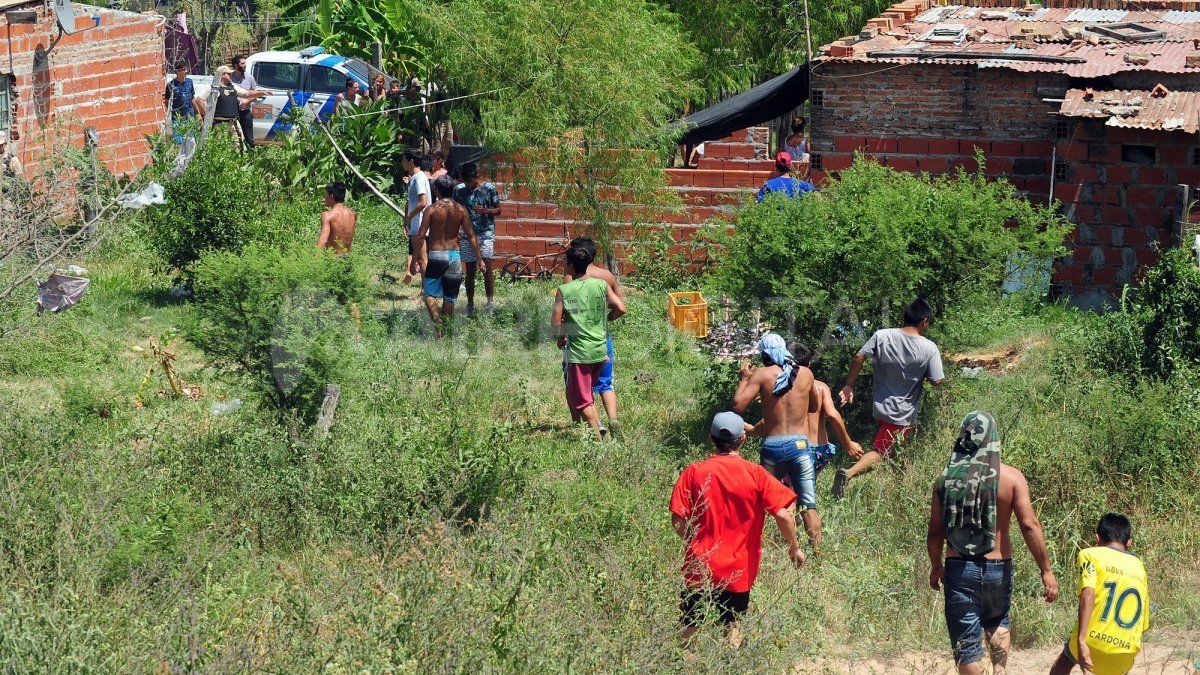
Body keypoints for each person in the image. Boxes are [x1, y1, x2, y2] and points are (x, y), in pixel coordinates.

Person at [927, 411, 1059, 675]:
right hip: (999, 568)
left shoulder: (945, 479)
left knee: (966, 644)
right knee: (998, 621)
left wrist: (936, 565)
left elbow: (935, 530)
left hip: (959, 569)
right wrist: (1046, 570)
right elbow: (1030, 525)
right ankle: (999, 671)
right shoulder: (1011, 477)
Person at [670, 411, 805, 649]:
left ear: (711, 439)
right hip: (738, 570)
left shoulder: (694, 472)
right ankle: (729, 662)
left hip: (700, 564)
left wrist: (693, 542)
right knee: (732, 625)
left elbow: (677, 520)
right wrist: (794, 548)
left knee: (691, 625)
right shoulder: (756, 474)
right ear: (742, 439)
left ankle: (683, 663)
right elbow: (783, 514)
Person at [833, 298, 945, 498]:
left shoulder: (882, 335)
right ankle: (848, 474)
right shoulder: (929, 348)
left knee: (897, 448)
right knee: (881, 451)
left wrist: (849, 385)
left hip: (880, 407)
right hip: (902, 413)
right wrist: (923, 375)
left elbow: (859, 357)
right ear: (924, 321)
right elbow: (937, 380)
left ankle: (899, 485)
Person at [732, 334, 822, 549]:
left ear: (764, 355)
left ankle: (760, 549)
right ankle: (818, 556)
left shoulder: (762, 375)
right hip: (800, 447)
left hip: (772, 447)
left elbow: (737, 406)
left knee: (763, 502)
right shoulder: (806, 374)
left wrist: (744, 379)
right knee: (808, 506)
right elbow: (813, 407)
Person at [1050, 513, 1151, 675]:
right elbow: (1144, 622)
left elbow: (1088, 592)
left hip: (1090, 642)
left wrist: (1082, 640)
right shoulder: (1140, 567)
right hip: (1126, 652)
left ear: (1097, 538)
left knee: (1061, 666)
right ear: (1129, 543)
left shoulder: (1089, 555)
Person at [552, 243, 626, 439]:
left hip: (580, 353)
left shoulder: (565, 289)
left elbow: (556, 324)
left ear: (571, 265)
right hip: (601, 350)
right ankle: (611, 420)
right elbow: (621, 307)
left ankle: (597, 438)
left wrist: (561, 339)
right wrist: (605, 319)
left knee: (582, 398)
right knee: (604, 385)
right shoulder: (602, 283)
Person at [415, 176, 480, 334]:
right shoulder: (460, 209)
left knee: (429, 293)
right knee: (450, 296)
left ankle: (437, 320)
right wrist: (479, 258)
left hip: (437, 255)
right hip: (454, 256)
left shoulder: (431, 209)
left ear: (437, 190)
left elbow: (421, 235)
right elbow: (471, 235)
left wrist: (415, 257)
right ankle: (444, 332)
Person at [792, 343, 862, 475]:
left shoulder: (784, 387)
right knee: (807, 483)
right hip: (819, 449)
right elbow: (832, 414)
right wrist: (847, 443)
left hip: (795, 447)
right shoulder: (821, 387)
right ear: (809, 364)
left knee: (787, 484)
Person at [453, 162, 502, 313]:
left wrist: (486, 210)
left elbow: (498, 210)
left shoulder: (489, 188)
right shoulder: (459, 190)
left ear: (478, 176)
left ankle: (490, 302)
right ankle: (470, 303)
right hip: (467, 235)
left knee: (487, 266)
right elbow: (454, 212)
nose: (468, 184)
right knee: (470, 269)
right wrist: (456, 230)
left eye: (470, 181)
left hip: (485, 232)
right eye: (465, 181)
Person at [403, 150, 431, 283]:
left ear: (411, 161)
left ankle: (426, 290)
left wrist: (409, 216)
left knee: (422, 259)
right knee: (420, 258)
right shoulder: (415, 178)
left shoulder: (418, 178)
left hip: (419, 223)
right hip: (416, 223)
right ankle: (425, 289)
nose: (402, 162)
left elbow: (423, 202)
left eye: (404, 159)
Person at [230, 55, 262, 149]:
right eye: (243, 63)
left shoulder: (249, 78)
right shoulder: (229, 78)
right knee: (235, 138)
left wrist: (246, 102)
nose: (245, 65)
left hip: (245, 112)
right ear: (236, 66)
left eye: (245, 63)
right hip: (232, 113)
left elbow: (254, 93)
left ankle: (251, 156)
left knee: (249, 138)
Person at [317, 182, 357, 255]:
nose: (325, 198)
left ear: (331, 196)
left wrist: (313, 259)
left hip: (333, 258)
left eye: (326, 195)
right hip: (348, 257)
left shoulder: (327, 215)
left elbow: (323, 241)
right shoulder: (353, 214)